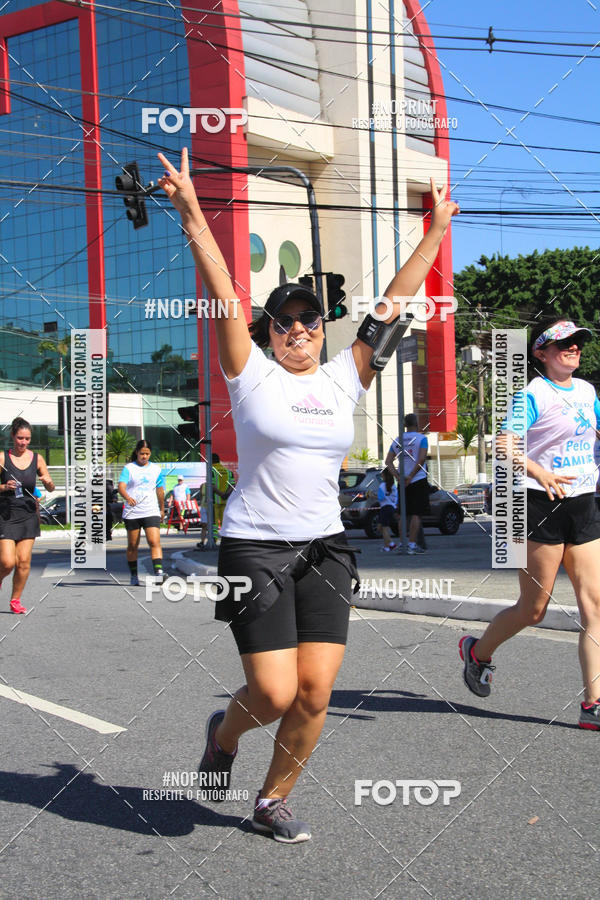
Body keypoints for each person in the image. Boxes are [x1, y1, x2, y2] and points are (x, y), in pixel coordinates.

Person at [158, 146, 458, 841]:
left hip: (325, 548)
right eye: (285, 322)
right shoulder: (249, 373)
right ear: (268, 332)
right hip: (253, 548)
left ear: (324, 331)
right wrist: (192, 211)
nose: (298, 330)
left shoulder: (344, 378)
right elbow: (224, 288)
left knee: (316, 692)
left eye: (310, 322)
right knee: (271, 692)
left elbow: (394, 301)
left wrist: (435, 230)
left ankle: (271, 800)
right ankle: (224, 739)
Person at [459, 318, 600, 730]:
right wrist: (538, 472)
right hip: (540, 505)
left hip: (584, 504)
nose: (572, 349)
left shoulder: (589, 391)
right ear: (541, 353)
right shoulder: (533, 394)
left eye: (576, 343)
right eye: (562, 345)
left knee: (594, 608)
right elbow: (503, 443)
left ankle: (592, 704)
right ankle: (477, 652)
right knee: (533, 609)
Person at [0, 417, 55, 613]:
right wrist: (4, 486)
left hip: (28, 514)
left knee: (23, 562)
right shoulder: (2, 458)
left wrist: (48, 483)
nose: (23, 442)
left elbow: (50, 485)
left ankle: (15, 601)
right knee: (7, 562)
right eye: (20, 438)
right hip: (6, 515)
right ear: (12, 436)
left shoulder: (37, 458)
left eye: (27, 438)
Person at [118, 440, 166, 586]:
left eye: (147, 454)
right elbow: (121, 486)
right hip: (133, 512)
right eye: (141, 454)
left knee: (154, 541)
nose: (144, 456)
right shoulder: (129, 468)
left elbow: (160, 490)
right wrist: (127, 497)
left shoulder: (156, 469)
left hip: (150, 510)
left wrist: (162, 508)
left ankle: (158, 573)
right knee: (133, 545)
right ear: (137, 453)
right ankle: (134, 575)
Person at [385, 413, 430, 554]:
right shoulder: (422, 439)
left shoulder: (397, 440)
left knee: (403, 513)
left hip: (402, 481)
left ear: (404, 425)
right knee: (416, 513)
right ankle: (411, 544)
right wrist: (411, 475)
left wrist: (397, 476)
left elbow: (388, 461)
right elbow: (421, 459)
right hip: (418, 479)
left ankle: (402, 542)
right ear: (416, 423)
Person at [377, 469, 398, 551]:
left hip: (385, 507)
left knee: (383, 527)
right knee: (381, 527)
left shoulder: (382, 485)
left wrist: (371, 495)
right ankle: (387, 546)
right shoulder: (393, 486)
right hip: (391, 507)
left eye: (382, 475)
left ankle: (391, 544)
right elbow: (395, 498)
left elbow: (380, 497)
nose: (382, 476)